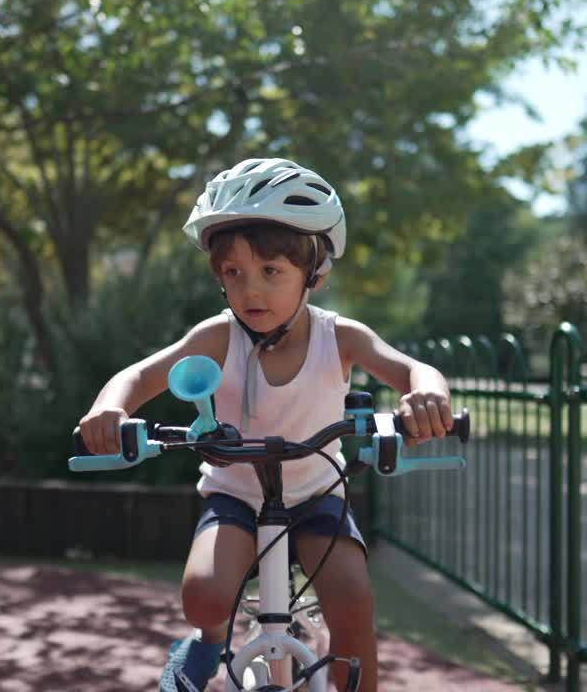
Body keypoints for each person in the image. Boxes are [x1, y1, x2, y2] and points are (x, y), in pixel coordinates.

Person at [76, 158, 455, 692]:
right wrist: (110, 410)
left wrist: (429, 396)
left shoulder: (339, 337)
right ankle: (208, 643)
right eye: (234, 273)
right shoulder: (216, 336)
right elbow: (137, 376)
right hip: (235, 493)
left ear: (314, 274)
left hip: (318, 493)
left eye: (271, 272)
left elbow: (412, 369)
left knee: (352, 597)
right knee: (203, 596)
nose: (250, 291)